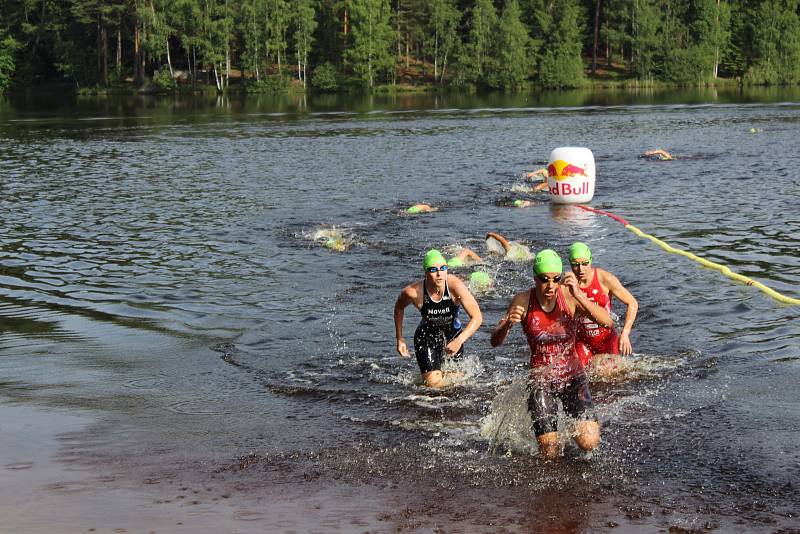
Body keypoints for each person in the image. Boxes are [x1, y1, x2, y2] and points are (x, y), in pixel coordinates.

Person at [490, 249, 612, 459]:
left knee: (590, 442)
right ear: (535, 277)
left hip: (573, 376)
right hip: (541, 380)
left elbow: (607, 323)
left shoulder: (569, 297)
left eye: (556, 279)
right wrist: (507, 325)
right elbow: (495, 341)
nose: (550, 285)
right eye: (544, 279)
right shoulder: (523, 300)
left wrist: (579, 296)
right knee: (549, 452)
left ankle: (569, 429)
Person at [394, 249, 483, 388]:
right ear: (425, 272)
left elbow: (477, 317)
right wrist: (400, 338)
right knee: (433, 387)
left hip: (453, 337)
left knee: (455, 385)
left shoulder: (455, 286)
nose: (439, 273)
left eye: (443, 268)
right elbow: (399, 308)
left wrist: (459, 340)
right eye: (433, 269)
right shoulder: (413, 292)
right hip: (426, 337)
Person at [568, 242, 638, 367]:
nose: (581, 269)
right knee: (578, 373)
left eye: (585, 264)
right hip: (582, 341)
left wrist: (625, 333)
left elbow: (632, 303)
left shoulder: (605, 279)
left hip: (607, 339)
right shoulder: (567, 284)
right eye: (575, 265)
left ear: (591, 261)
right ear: (570, 264)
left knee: (611, 376)